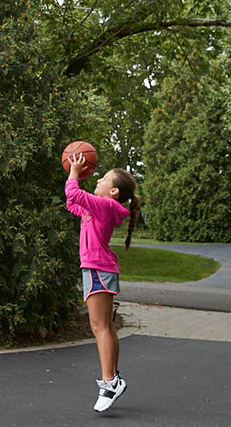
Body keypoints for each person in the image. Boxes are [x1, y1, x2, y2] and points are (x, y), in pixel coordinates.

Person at [65, 153, 141, 413]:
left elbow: (74, 194)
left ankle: (109, 382)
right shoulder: (99, 206)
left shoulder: (106, 206)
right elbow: (71, 203)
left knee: (99, 328)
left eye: (104, 179)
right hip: (99, 269)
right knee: (106, 327)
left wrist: (74, 172)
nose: (98, 180)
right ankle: (113, 377)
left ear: (114, 191)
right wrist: (75, 179)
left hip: (97, 269)